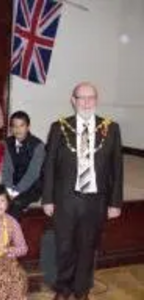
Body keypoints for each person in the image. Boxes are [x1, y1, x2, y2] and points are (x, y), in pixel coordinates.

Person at [42, 82, 123, 300]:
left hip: (95, 201)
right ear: (73, 100)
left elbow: (117, 168)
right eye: (81, 97)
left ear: (97, 100)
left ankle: (82, 290)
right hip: (66, 200)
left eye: (91, 97)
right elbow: (49, 166)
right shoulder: (59, 127)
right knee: (65, 248)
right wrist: (47, 199)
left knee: (88, 249)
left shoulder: (111, 128)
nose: (86, 102)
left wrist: (115, 203)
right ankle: (63, 289)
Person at [2, 111, 45, 219]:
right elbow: (6, 169)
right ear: (10, 128)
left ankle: (9, 233)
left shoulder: (38, 145)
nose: (18, 129)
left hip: (32, 187)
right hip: (10, 185)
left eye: (21, 125)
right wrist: (9, 189)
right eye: (14, 126)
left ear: (28, 127)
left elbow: (33, 174)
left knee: (16, 203)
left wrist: (16, 191)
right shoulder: (6, 143)